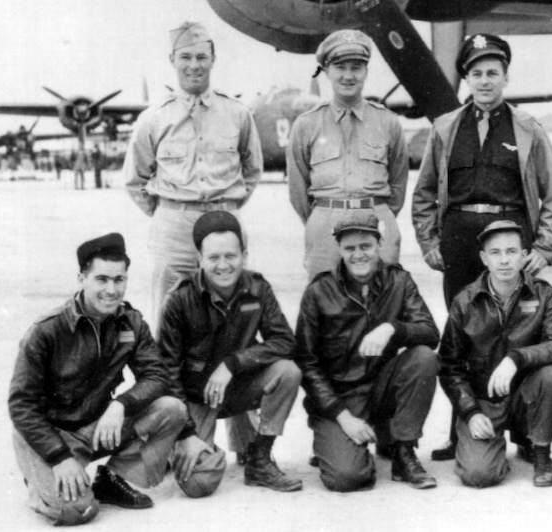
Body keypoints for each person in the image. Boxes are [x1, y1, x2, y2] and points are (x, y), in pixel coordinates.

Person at [413, 33, 552, 461]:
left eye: (493, 73)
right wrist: (429, 241)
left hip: (509, 239)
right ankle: (460, 427)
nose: (485, 81)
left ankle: (522, 432)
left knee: (515, 333)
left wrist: (546, 246)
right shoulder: (445, 128)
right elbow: (424, 192)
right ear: (465, 78)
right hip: (460, 240)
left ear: (506, 77)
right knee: (463, 335)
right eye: (476, 73)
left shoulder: (528, 129)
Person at [8, 233, 185, 526]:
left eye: (119, 280)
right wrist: (58, 457)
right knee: (78, 512)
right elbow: (20, 405)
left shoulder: (131, 323)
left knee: (172, 409)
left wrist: (120, 406)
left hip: (97, 426)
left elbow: (156, 375)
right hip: (52, 435)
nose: (111, 290)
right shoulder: (47, 331)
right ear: (82, 278)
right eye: (101, 279)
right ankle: (43, 480)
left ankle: (112, 479)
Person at [124, 21, 263, 325]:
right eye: (185, 57)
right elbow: (135, 180)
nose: (194, 66)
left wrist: (227, 208)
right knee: (169, 312)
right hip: (174, 227)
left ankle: (228, 372)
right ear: (172, 60)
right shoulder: (154, 118)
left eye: (201, 57)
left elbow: (252, 171)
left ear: (213, 59)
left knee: (232, 311)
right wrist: (169, 211)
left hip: (225, 222)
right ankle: (166, 374)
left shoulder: (238, 113)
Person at [158, 211, 302, 496]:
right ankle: (184, 446)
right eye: (213, 258)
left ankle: (260, 457)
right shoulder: (179, 299)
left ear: (244, 255)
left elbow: (285, 340)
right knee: (200, 482)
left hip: (236, 385)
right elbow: (166, 371)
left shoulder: (258, 288)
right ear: (199, 259)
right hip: (196, 395)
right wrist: (186, 433)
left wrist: (233, 363)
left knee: (288, 371)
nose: (223, 265)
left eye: (231, 256)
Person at [295, 211, 440, 492]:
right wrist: (343, 417)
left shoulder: (399, 281)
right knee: (348, 478)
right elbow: (306, 363)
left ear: (379, 244)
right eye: (350, 248)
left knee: (423, 357)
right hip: (340, 399)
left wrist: (393, 328)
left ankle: (404, 451)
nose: (358, 255)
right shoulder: (318, 291)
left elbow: (430, 332)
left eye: (366, 246)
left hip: (381, 388)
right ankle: (340, 444)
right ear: (339, 249)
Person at [439, 221, 552, 488]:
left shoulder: (543, 294)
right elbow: (449, 365)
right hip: (484, 400)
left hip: (526, 396)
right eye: (496, 253)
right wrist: (470, 412)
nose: (504, 261)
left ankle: (540, 449)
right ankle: (493, 447)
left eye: (512, 252)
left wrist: (516, 357)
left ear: (524, 256)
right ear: (483, 258)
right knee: (478, 475)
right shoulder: (465, 301)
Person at [287, 29, 408, 280]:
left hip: (377, 223)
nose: (348, 75)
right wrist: (322, 217)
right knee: (325, 305)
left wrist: (377, 212)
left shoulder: (388, 122)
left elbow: (398, 183)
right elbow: (298, 190)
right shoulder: (306, 124)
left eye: (357, 67)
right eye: (340, 67)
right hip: (324, 226)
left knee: (382, 306)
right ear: (327, 71)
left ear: (366, 72)